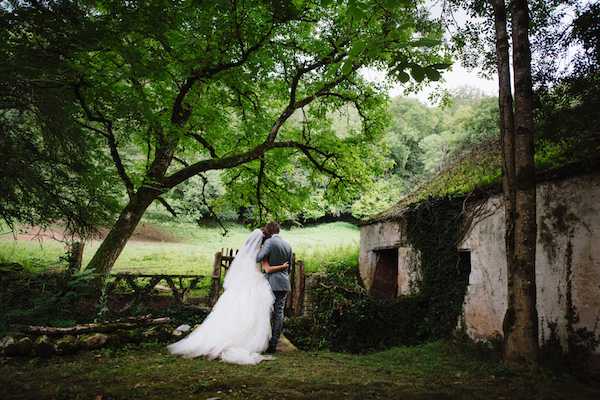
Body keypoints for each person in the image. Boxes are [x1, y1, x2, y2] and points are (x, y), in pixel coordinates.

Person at [166, 228, 287, 365]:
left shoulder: (246, 254)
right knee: (251, 312)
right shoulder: (261, 254)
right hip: (254, 283)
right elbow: (265, 269)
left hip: (240, 285)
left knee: (233, 312)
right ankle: (246, 341)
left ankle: (220, 338)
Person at [256, 221, 292, 353]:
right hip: (284, 283)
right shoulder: (287, 245)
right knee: (279, 313)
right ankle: (273, 343)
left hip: (271, 283)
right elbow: (290, 268)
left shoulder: (269, 242)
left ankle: (263, 340)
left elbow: (258, 258)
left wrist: (258, 249)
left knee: (265, 311)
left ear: (269, 231)